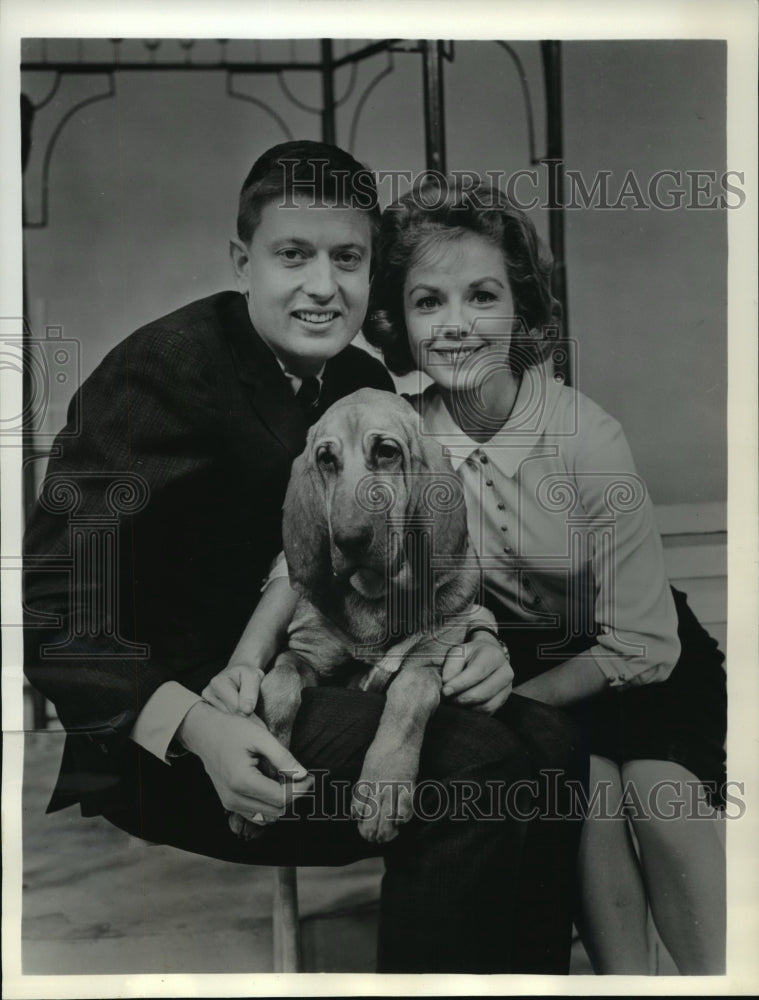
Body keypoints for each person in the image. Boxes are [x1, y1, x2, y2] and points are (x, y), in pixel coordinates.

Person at [23, 141, 587, 974]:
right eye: (294, 255)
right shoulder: (160, 374)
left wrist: (481, 648)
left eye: (347, 259)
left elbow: (414, 548)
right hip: (179, 746)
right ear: (241, 262)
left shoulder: (353, 375)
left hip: (313, 678)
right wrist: (195, 727)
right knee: (474, 769)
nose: (323, 287)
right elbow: (49, 606)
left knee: (549, 740)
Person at [361, 175, 728, 975]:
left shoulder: (584, 439)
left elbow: (643, 643)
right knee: (586, 796)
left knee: (659, 801)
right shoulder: (407, 439)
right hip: (515, 654)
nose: (456, 325)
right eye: (428, 303)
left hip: (636, 654)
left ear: (520, 311)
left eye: (481, 297)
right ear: (398, 321)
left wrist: (511, 706)